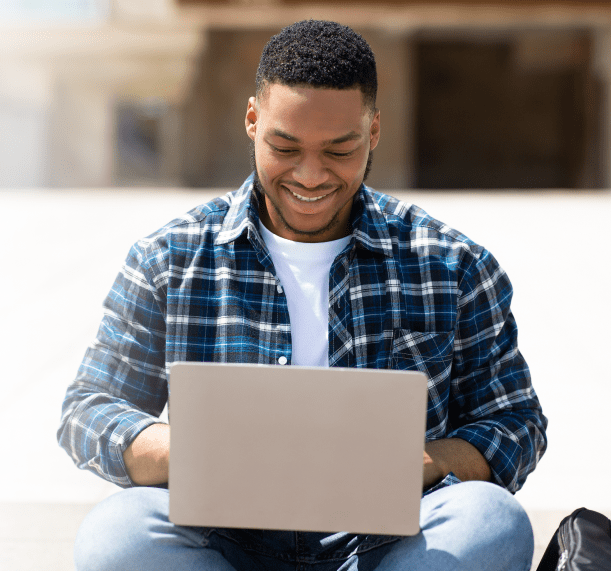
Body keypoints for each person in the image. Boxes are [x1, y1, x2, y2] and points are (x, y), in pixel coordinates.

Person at [57, 20, 547, 571]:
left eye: (340, 150)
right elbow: (88, 410)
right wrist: (188, 450)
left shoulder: (453, 264)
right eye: (284, 146)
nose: (310, 176)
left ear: (375, 131)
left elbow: (515, 423)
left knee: (493, 521)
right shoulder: (169, 259)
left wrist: (422, 461)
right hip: (222, 542)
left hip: (386, 548)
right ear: (251, 120)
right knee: (115, 537)